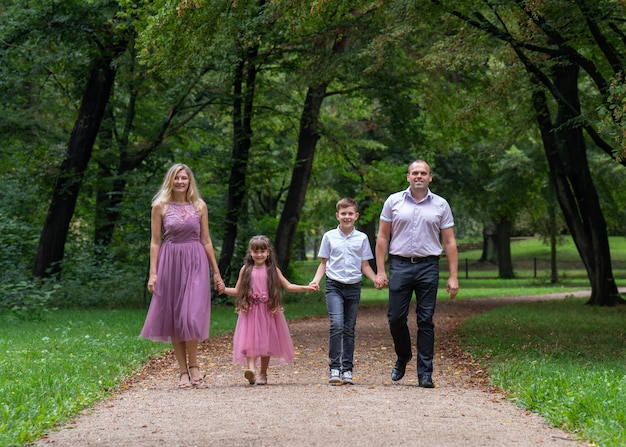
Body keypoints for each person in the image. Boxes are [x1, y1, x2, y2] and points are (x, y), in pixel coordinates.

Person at [374, 159, 459, 388]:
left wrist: (453, 276)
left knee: (425, 320)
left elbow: (449, 242)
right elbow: (382, 237)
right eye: (415, 173)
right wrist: (380, 270)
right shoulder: (393, 202)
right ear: (408, 177)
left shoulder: (441, 205)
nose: (419, 176)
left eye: (423, 173)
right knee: (396, 318)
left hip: (428, 266)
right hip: (400, 265)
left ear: (430, 177)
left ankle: (425, 373)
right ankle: (403, 356)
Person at [141, 163, 224, 389]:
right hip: (171, 261)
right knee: (176, 317)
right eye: (176, 178)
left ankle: (195, 365)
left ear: (189, 181)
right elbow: (155, 241)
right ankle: (183, 372)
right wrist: (153, 273)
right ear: (170, 180)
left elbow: (206, 240)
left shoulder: (199, 205)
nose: (180, 182)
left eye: (184, 178)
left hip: (195, 261)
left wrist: (216, 272)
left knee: (191, 315)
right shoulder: (159, 206)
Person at [223, 235, 318, 385]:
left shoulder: (272, 270)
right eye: (255, 251)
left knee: (265, 342)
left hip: (268, 311)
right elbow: (237, 290)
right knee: (249, 341)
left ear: (268, 253)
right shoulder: (246, 270)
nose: (259, 254)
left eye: (262, 251)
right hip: (250, 311)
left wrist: (306, 287)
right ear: (250, 253)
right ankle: (251, 371)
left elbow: (288, 286)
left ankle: (263, 374)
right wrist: (223, 289)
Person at [309, 198, 378, 385]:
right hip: (334, 286)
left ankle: (347, 370)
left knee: (349, 329)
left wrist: (376, 279)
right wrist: (316, 280)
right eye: (343, 213)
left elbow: (365, 265)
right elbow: (323, 263)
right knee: (336, 325)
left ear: (356, 216)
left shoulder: (362, 238)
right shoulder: (329, 237)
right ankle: (334, 368)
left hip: (353, 287)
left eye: (350, 213)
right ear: (337, 215)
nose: (346, 217)